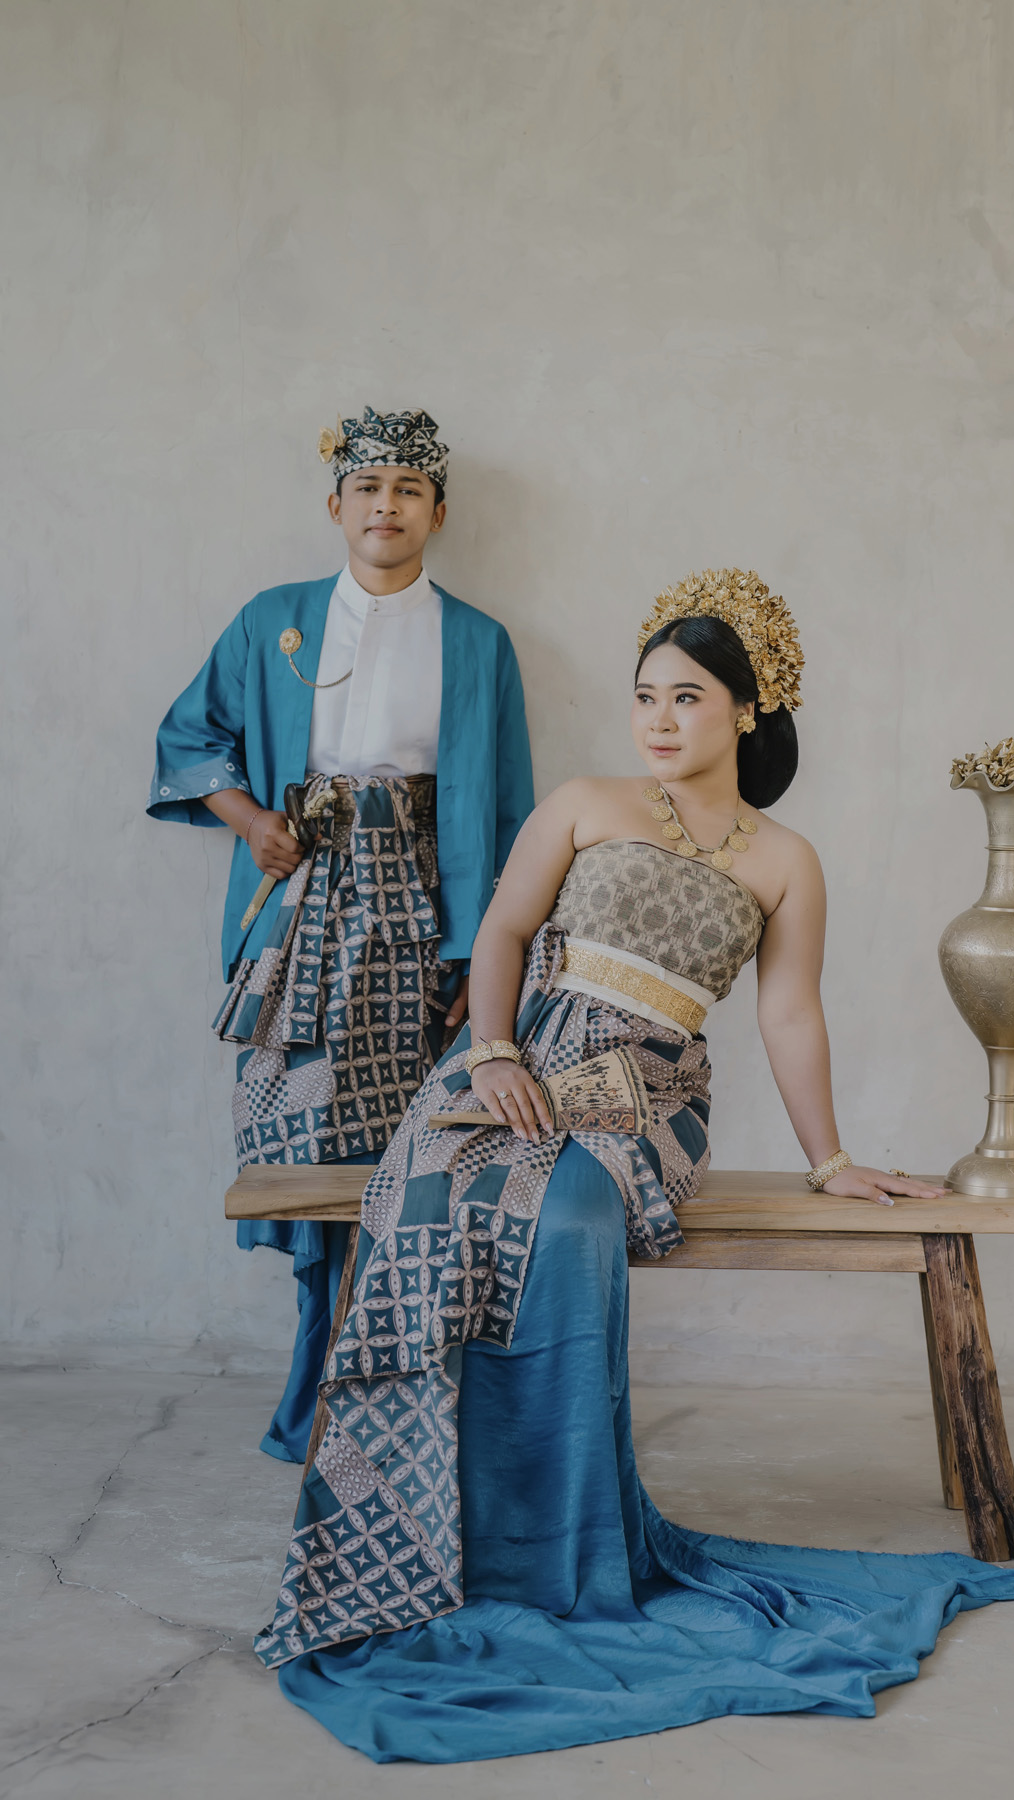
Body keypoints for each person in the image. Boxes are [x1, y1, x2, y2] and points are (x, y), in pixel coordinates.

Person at [252, 569, 1014, 1761]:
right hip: (514, 1061)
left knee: (567, 1219)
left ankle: (551, 1551)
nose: (659, 720)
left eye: (687, 697)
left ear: (747, 710)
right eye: (644, 697)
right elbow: (505, 930)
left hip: (645, 1098)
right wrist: (493, 1053)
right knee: (435, 1201)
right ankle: (416, 1543)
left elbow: (789, 1013)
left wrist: (831, 1158)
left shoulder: (786, 859)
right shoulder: (585, 801)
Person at [148, 407, 534, 1463]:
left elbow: (509, 810)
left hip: (422, 913)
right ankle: (317, 1386)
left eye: (410, 489)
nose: (387, 505)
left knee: (412, 1153)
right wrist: (252, 822)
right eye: (369, 488)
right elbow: (188, 737)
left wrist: (482, 956)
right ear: (336, 505)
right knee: (301, 1140)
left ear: (438, 514)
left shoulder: (480, 642)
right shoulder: (274, 619)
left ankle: (399, 1391)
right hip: (303, 904)